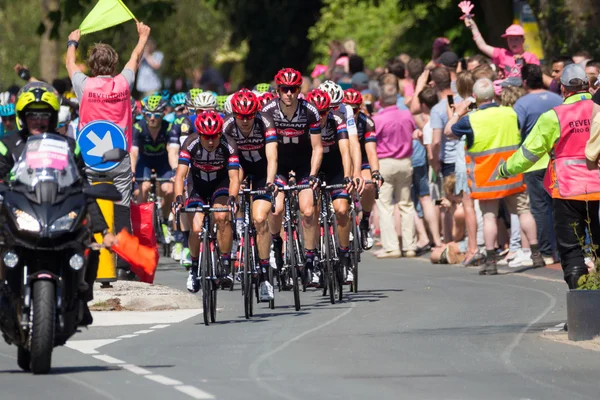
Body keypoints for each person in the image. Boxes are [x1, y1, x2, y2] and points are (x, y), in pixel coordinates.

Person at [0, 82, 115, 326]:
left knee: (87, 243)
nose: (38, 120)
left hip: (56, 211)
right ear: (23, 117)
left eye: (45, 115)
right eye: (33, 114)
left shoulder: (69, 147)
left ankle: (82, 297)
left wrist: (103, 230)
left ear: (53, 118)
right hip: (17, 211)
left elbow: (83, 187)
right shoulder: (7, 144)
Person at [501, 64, 600, 289]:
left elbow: (528, 154)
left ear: (563, 89)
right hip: (598, 188)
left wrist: (505, 170)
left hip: (568, 190)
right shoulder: (598, 109)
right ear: (587, 85)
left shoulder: (554, 116)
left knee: (571, 248)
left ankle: (581, 304)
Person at [66, 22, 151, 281]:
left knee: (91, 206)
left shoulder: (84, 86)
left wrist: (72, 42)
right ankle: (125, 264)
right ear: (114, 65)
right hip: (119, 156)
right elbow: (135, 58)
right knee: (123, 206)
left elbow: (70, 64)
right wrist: (142, 37)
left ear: (91, 66)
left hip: (91, 158)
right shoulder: (123, 84)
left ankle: (95, 260)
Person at [451, 78, 544, 275]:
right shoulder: (511, 113)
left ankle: (491, 262)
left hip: (487, 179)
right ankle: (537, 255)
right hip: (512, 173)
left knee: (489, 217)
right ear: (494, 95)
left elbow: (447, 132)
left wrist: (457, 113)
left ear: (474, 97)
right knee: (524, 211)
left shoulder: (471, 119)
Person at [260, 68, 323, 274]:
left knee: (307, 210)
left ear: (299, 90)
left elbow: (317, 148)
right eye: (285, 89)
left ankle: (311, 258)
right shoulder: (268, 111)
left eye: (293, 89)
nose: (289, 93)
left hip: (304, 163)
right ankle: (276, 242)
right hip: (279, 164)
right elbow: (266, 148)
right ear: (278, 90)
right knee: (276, 209)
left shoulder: (310, 111)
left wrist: (313, 175)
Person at [173, 111, 240, 292]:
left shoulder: (229, 144)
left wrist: (232, 199)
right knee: (196, 228)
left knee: (221, 216)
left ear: (220, 133)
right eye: (206, 137)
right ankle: (194, 271)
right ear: (199, 134)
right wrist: (179, 198)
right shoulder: (190, 143)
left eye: (214, 136)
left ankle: (225, 266)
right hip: (198, 185)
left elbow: (234, 178)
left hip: (220, 183)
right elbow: (180, 176)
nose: (211, 141)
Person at [223, 89, 278, 300]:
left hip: (263, 169)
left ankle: (265, 275)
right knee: (229, 201)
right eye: (240, 116)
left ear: (256, 113)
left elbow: (272, 157)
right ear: (234, 114)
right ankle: (235, 236)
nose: (245, 120)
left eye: (249, 115)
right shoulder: (228, 125)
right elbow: (228, 162)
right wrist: (233, 192)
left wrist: (271, 182)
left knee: (260, 218)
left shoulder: (265, 122)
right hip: (239, 168)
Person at [512, 64, 563, 265]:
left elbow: (517, 129)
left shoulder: (522, 104)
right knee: (558, 205)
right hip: (557, 158)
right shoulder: (557, 98)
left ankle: (547, 252)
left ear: (524, 82)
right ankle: (561, 248)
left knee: (540, 208)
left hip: (534, 162)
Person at [307, 89, 354, 283]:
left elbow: (345, 151)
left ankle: (344, 257)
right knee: (312, 210)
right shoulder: (306, 121)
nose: (321, 116)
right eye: (318, 112)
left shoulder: (337, 120)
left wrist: (349, 176)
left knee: (342, 210)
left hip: (334, 165)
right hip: (313, 166)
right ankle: (315, 256)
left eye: (324, 112)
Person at [373, 83, 416, 258]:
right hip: (405, 161)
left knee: (385, 206)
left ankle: (391, 246)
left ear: (381, 100)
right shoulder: (407, 115)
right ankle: (409, 245)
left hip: (385, 162)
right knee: (406, 204)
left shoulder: (378, 119)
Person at [343, 89, 383, 250]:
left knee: (368, 185)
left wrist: (376, 173)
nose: (352, 113)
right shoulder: (337, 119)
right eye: (349, 109)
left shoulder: (367, 122)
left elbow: (372, 152)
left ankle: (365, 220)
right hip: (343, 159)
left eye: (355, 109)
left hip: (363, 159)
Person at [464, 19, 540, 78]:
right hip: (507, 94)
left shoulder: (531, 57)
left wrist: (524, 64)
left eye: (516, 39)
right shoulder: (502, 54)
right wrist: (473, 27)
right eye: (510, 39)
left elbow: (536, 77)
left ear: (523, 40)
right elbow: (482, 46)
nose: (513, 42)